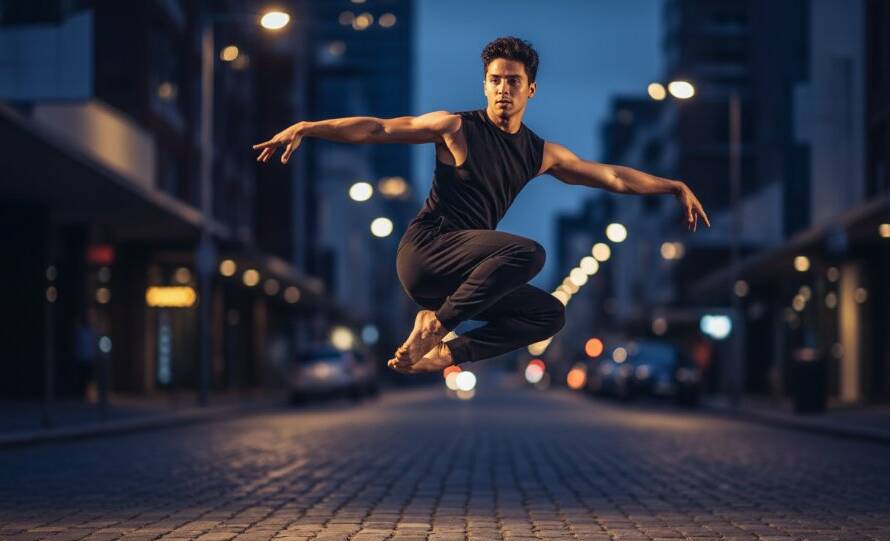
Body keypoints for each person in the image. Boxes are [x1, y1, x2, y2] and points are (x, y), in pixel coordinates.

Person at [252, 37, 710, 374]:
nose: (502, 90)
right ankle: (435, 325)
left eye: (513, 81)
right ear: (485, 85)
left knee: (550, 314)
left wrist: (672, 185)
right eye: (495, 81)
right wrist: (309, 126)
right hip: (427, 254)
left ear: (531, 89)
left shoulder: (540, 153)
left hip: (467, 278)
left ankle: (445, 353)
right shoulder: (455, 127)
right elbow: (379, 129)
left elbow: (611, 176)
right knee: (528, 253)